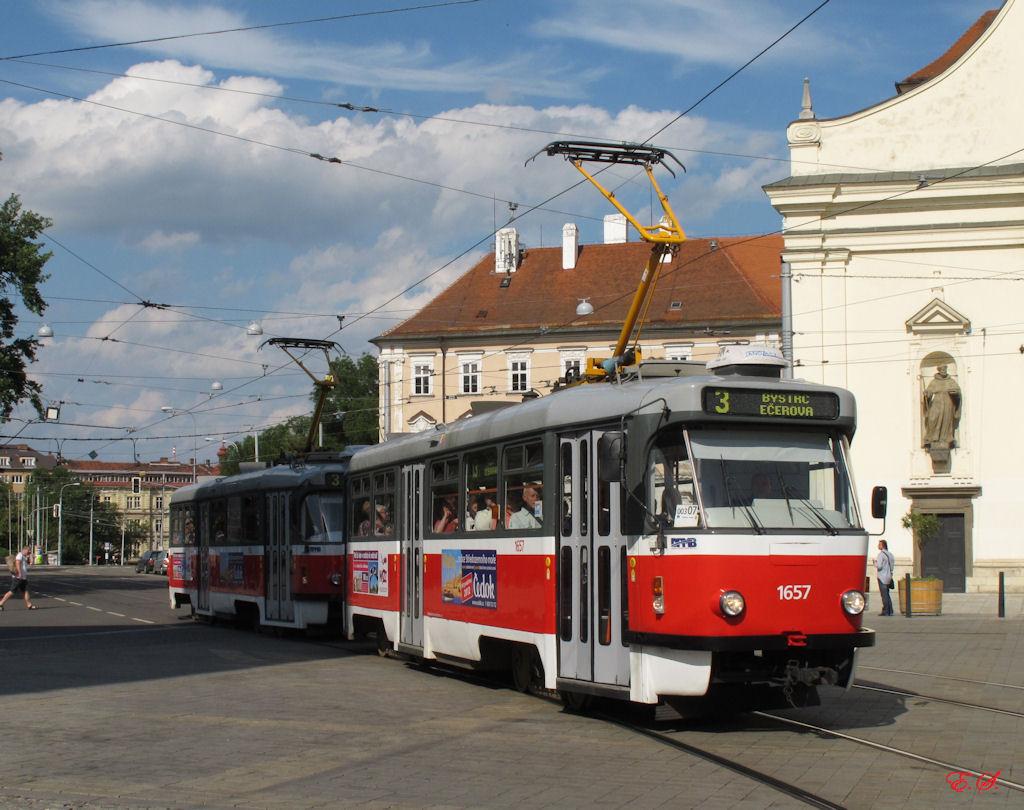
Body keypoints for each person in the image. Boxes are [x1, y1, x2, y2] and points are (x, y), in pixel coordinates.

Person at [0, 545, 37, 611]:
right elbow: (17, 563)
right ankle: (1, 603)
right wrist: (19, 573)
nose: (29, 552)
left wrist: (32, 557)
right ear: (25, 550)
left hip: (23, 578)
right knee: (12, 591)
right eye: (29, 550)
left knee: (25, 591)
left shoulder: (24, 557)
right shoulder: (19, 555)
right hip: (18, 578)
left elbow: (31, 564)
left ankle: (29, 605)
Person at [875, 539, 895, 616]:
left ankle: (886, 611)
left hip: (882, 576)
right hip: (889, 576)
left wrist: (875, 563)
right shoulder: (890, 554)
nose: (878, 546)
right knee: (887, 594)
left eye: (879, 544)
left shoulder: (881, 555)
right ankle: (890, 611)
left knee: (884, 595)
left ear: (882, 545)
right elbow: (892, 565)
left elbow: (879, 566)